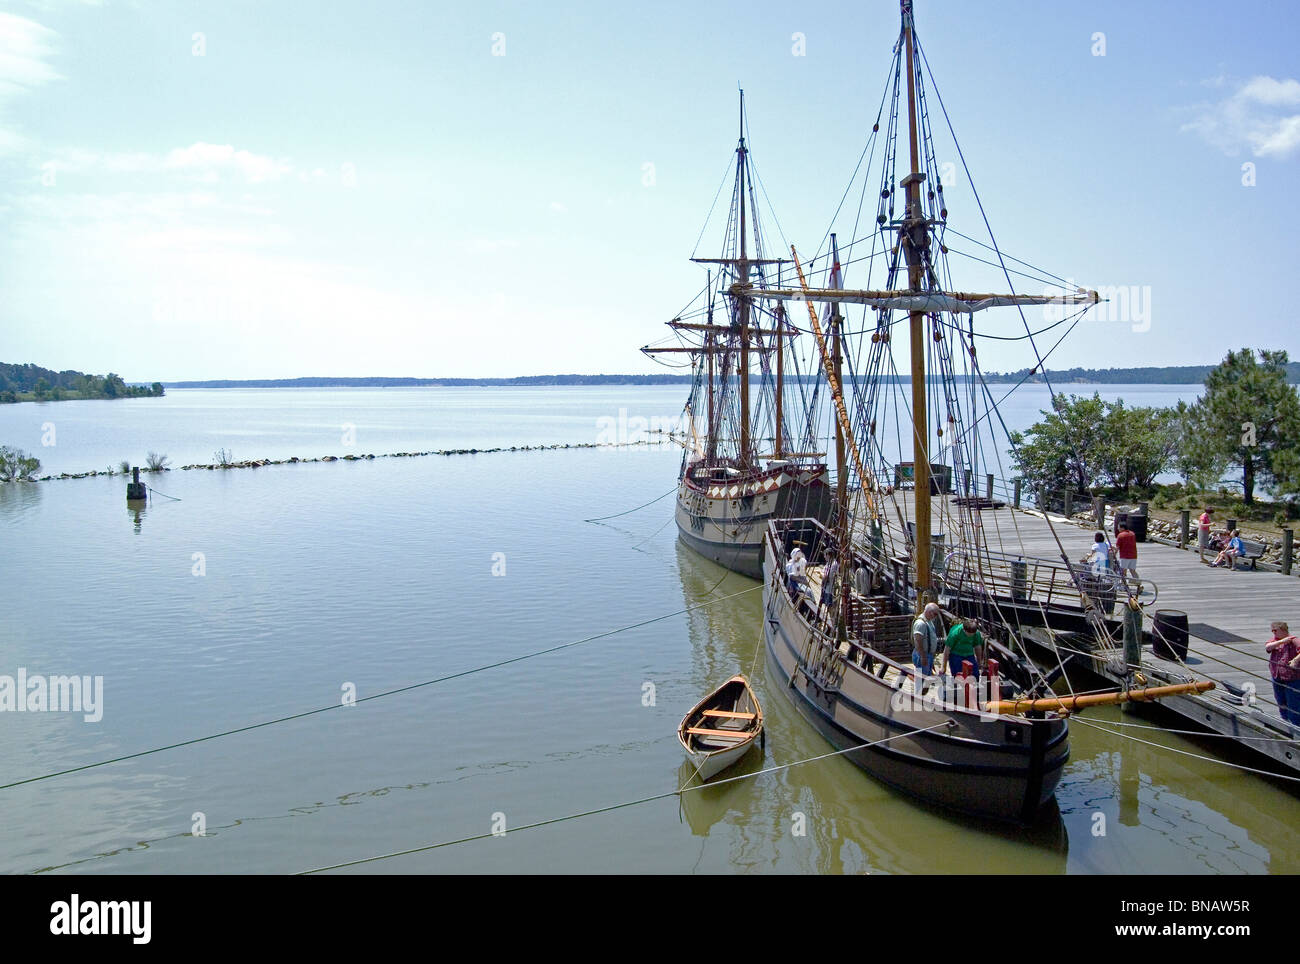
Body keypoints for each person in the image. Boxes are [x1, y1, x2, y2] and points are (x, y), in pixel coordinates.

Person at [1264, 621, 1300, 726]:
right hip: (1277, 676)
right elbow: (1268, 647)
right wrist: (1282, 641)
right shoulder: (1275, 641)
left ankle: (1296, 725)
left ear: (1283, 630)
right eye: (1272, 630)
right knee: (1280, 700)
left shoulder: (1294, 640)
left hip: (1292, 678)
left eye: (1275, 630)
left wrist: (1295, 660)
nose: (1273, 632)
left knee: (1293, 702)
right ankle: (1285, 722)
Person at [911, 603, 942, 676]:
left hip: (928, 654)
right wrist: (923, 656)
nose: (936, 616)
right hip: (923, 655)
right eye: (935, 614)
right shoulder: (920, 623)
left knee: (927, 678)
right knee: (922, 678)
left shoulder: (928, 621)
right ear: (929, 612)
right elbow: (918, 641)